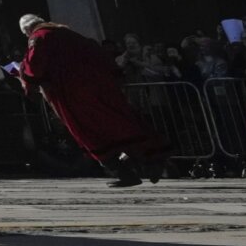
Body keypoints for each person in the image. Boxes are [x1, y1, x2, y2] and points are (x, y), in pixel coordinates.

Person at [19, 14, 167, 187]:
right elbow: (100, 54)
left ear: (28, 30)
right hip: (100, 89)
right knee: (119, 124)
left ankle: (123, 171)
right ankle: (152, 160)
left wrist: (23, 73)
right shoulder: (70, 34)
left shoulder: (39, 38)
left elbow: (33, 68)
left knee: (88, 132)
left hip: (72, 94)